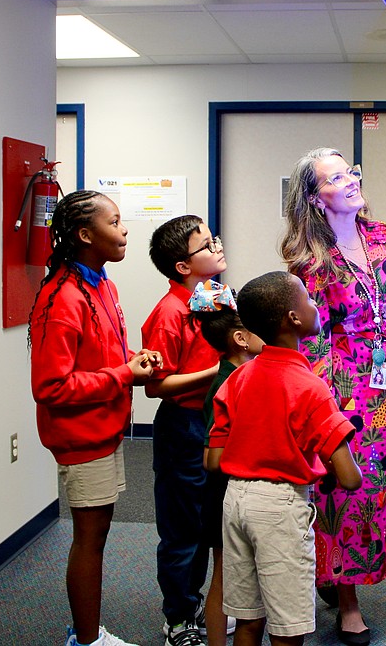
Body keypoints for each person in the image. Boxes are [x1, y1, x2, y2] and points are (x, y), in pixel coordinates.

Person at [280, 147, 386, 645]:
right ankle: (348, 602)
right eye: (336, 177)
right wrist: (325, 405)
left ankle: (339, 577)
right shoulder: (308, 260)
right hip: (344, 391)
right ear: (315, 198)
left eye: (350, 170)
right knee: (350, 492)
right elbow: (310, 339)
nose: (351, 180)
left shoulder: (383, 238)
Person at [29, 190, 160, 646]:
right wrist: (122, 373)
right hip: (81, 436)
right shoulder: (62, 297)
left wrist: (132, 360)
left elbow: (100, 354)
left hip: (104, 429)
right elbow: (51, 387)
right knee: (90, 539)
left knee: (97, 535)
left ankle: (88, 634)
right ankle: (86, 641)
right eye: (116, 222)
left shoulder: (100, 283)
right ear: (86, 235)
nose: (125, 230)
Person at [207, 270, 362, 646]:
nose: (314, 304)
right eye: (308, 299)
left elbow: (213, 460)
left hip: (235, 503)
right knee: (289, 629)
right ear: (293, 319)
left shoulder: (238, 377)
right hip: (279, 507)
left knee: (247, 619)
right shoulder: (310, 386)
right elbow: (349, 478)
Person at [141, 214, 226, 646]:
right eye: (207, 246)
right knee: (182, 531)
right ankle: (178, 617)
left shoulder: (214, 296)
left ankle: (205, 605)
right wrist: (216, 371)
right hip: (184, 425)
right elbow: (155, 386)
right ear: (182, 266)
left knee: (214, 522)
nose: (218, 248)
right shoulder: (169, 313)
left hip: (218, 424)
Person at [188, 280, 263, 646]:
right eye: (256, 329)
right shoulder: (233, 384)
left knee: (228, 574)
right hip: (227, 493)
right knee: (226, 574)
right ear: (240, 339)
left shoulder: (236, 376)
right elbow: (211, 458)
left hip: (228, 493)